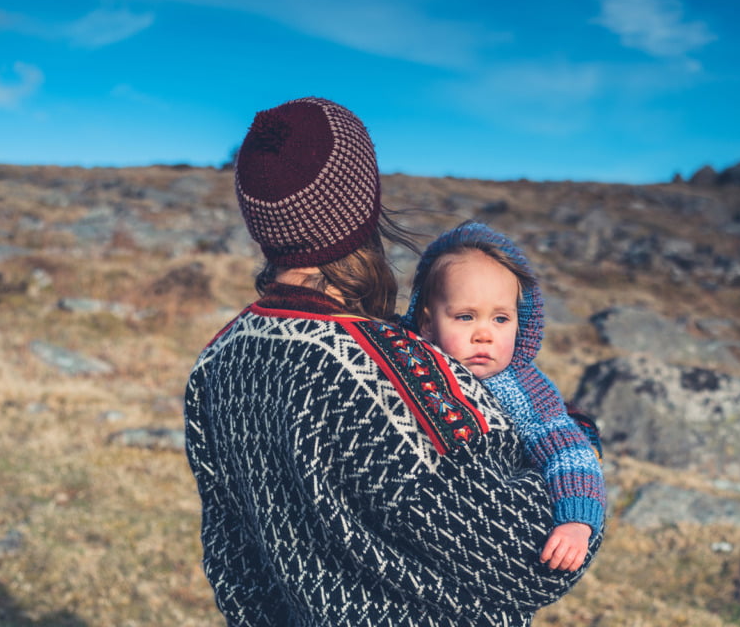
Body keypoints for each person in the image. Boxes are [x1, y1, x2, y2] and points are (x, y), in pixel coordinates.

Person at [183, 96, 602, 627]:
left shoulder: (217, 363)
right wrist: (571, 438)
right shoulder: (396, 373)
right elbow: (526, 556)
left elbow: (233, 564)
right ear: (361, 205)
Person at [401, 222, 607, 574]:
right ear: (428, 323)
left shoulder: (517, 386)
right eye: (465, 317)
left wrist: (577, 522)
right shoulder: (406, 359)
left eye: (500, 319)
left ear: (520, 323)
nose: (483, 334)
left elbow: (567, 448)